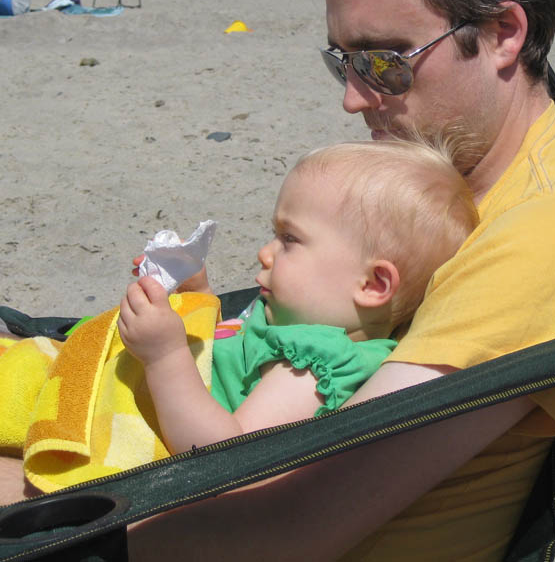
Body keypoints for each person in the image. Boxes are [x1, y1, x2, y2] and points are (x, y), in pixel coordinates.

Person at [0, 0, 555, 561]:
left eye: (383, 62)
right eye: (342, 62)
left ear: (502, 33)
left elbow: (280, 524)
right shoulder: (468, 177)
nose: (353, 99)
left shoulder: (538, 232)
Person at [118, 139, 478, 455]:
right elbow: (233, 359)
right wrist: (199, 295)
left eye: (289, 239)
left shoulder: (315, 368)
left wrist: (165, 356)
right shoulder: (292, 317)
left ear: (372, 284)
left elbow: (227, 457)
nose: (265, 253)